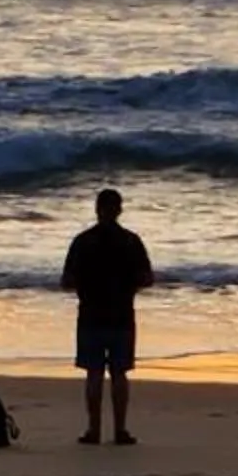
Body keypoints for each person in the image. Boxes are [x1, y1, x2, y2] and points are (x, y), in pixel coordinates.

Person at [60, 186, 154, 446]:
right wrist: (128, 286)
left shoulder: (83, 241)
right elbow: (147, 278)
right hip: (122, 314)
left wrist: (86, 285)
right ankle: (120, 430)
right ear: (119, 210)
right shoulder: (131, 241)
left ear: (96, 209)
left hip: (90, 314)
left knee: (93, 374)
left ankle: (93, 430)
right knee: (120, 373)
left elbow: (66, 281)